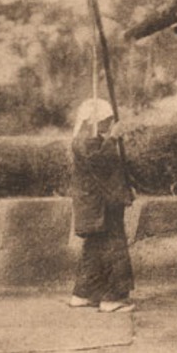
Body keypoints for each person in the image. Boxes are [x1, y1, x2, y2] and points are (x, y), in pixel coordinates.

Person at [69, 97, 135, 314]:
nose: (109, 123)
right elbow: (101, 163)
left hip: (97, 203)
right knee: (113, 247)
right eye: (106, 119)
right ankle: (112, 297)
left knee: (94, 248)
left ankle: (83, 293)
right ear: (93, 120)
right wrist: (114, 138)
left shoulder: (87, 140)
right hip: (102, 205)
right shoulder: (88, 141)